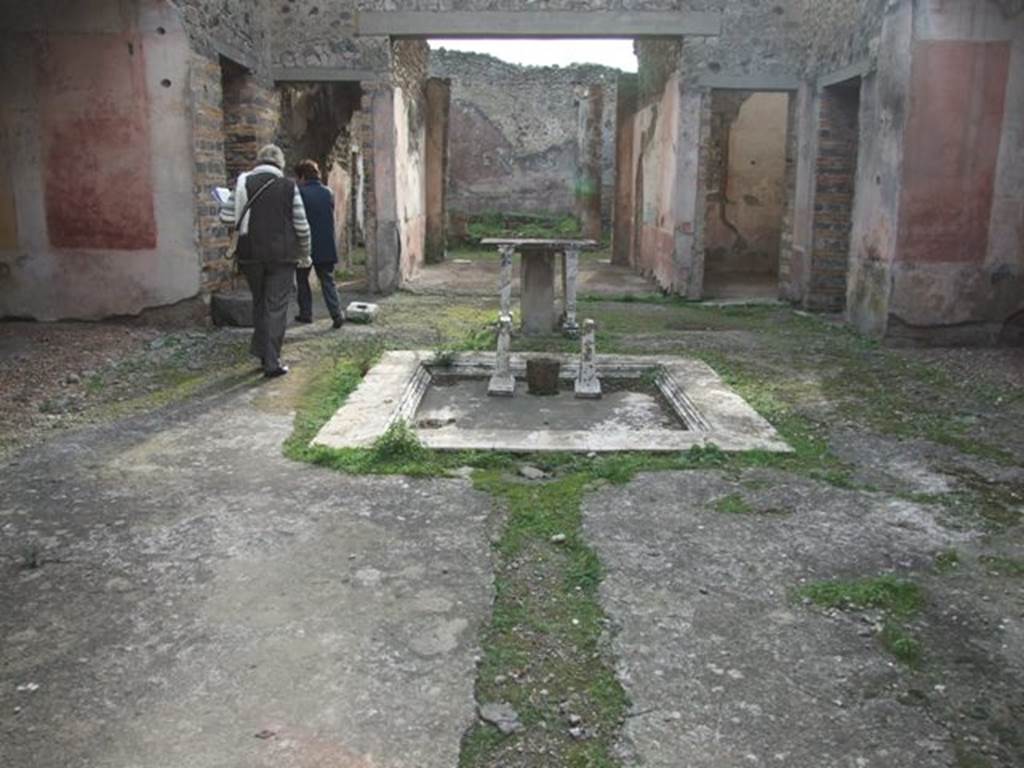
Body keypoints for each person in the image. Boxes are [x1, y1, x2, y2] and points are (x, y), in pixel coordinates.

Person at [220, 144, 311, 378]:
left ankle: (262, 353)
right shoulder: (289, 186)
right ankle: (272, 361)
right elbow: (301, 225)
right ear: (280, 164)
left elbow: (226, 216)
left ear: (258, 162)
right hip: (282, 255)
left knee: (260, 302)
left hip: (250, 253)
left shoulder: (242, 183)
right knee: (276, 306)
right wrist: (305, 253)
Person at [293, 159, 344, 329]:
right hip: (325, 243)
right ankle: (337, 313)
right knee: (328, 281)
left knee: (302, 281)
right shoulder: (328, 192)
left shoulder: (299, 193)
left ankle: (306, 314)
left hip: (304, 244)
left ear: (301, 176)